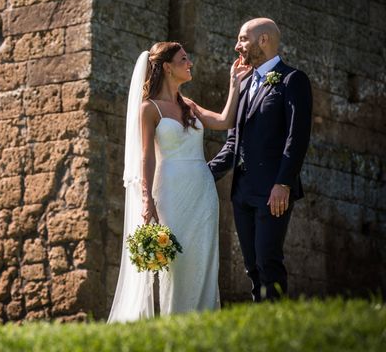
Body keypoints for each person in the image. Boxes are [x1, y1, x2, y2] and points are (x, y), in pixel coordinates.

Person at [108, 41, 249, 322]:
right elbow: (146, 158)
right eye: (184, 59)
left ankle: (206, 324)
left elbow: (223, 121)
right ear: (168, 67)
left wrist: (234, 85)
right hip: (171, 191)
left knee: (205, 259)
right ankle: (176, 324)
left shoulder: (189, 105)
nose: (190, 63)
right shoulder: (149, 109)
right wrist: (147, 199)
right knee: (178, 263)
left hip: (203, 189)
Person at [207, 18, 312, 301]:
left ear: (263, 40)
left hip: (273, 192)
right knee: (252, 266)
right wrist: (200, 175)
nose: (237, 45)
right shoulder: (242, 86)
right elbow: (232, 145)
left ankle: (277, 320)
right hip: (242, 193)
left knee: (268, 261)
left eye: (242, 39)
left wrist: (284, 184)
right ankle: (261, 324)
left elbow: (297, 138)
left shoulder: (293, 80)